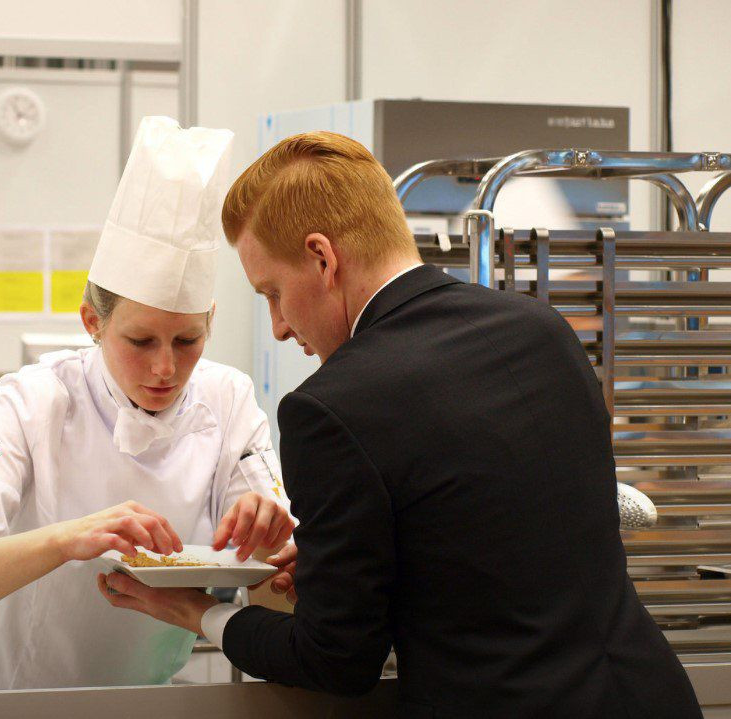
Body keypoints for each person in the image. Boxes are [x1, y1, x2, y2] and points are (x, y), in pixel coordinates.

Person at [98, 131, 703, 718]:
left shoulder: (331, 408)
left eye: (273, 293)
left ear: (322, 258)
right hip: (648, 693)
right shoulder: (541, 331)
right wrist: (350, 558)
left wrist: (194, 612)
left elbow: (336, 662)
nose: (279, 326)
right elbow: (494, 535)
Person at [0, 116, 293, 692]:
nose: (165, 368)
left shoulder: (228, 401)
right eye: (139, 341)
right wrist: (66, 539)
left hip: (140, 698)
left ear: (211, 325)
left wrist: (274, 541)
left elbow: (276, 596)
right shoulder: (36, 399)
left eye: (187, 341)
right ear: (92, 323)